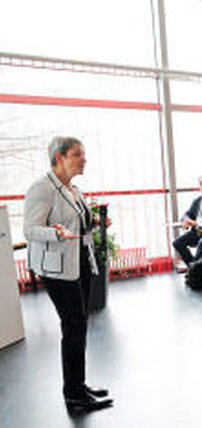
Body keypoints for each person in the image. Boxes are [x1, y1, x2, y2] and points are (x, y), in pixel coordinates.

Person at [23, 137, 113, 411]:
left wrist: (95, 223)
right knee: (73, 327)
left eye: (83, 154)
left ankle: (78, 384)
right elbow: (30, 230)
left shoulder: (74, 189)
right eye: (77, 154)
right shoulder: (42, 188)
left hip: (79, 263)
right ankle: (73, 394)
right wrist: (56, 233)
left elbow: (80, 225)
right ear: (59, 158)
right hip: (57, 270)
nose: (84, 159)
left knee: (79, 326)